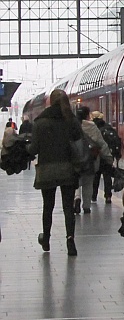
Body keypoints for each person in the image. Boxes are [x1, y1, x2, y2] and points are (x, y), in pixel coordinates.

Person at [28, 89, 83, 255]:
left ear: (50, 102)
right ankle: (70, 240)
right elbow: (79, 143)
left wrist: (26, 148)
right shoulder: (71, 120)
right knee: (68, 207)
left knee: (48, 206)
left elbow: (34, 149)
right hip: (68, 169)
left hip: (47, 170)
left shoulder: (40, 122)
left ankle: (46, 239)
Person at [76, 106, 114, 212]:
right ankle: (87, 206)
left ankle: (76, 198)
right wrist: (108, 157)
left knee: (76, 181)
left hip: (75, 160)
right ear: (88, 115)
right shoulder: (92, 126)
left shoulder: (72, 125)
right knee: (88, 183)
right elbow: (101, 143)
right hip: (90, 160)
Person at [91, 111, 124, 203]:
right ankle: (108, 196)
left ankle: (93, 196)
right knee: (107, 176)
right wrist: (117, 155)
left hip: (97, 156)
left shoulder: (93, 128)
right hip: (108, 156)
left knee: (96, 176)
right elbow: (117, 141)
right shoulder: (109, 128)